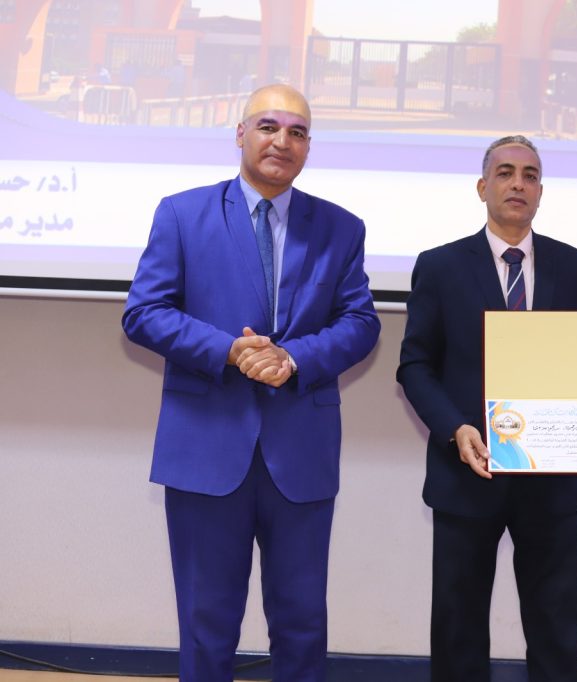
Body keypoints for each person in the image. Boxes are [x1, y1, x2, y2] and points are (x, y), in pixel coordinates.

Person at [122, 84, 380, 682]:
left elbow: (361, 323)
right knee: (206, 624)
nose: (282, 141)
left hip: (301, 455)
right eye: (268, 126)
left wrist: (293, 358)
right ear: (240, 134)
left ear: (308, 146)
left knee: (302, 624)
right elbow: (144, 312)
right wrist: (228, 351)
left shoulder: (341, 228)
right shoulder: (182, 214)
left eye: (297, 132)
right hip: (206, 451)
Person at [397, 135, 577, 682]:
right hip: (467, 473)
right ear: (483, 187)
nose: (517, 183)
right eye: (504, 173)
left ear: (541, 191)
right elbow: (415, 366)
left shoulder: (575, 266)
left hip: (549, 480)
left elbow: (570, 368)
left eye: (530, 175)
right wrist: (454, 428)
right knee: (458, 628)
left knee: (555, 629)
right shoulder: (440, 266)